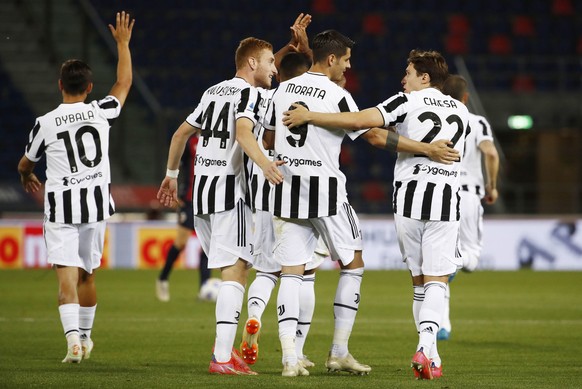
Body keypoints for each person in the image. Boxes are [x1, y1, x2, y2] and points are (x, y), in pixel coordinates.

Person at [266, 31, 460, 377]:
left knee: (293, 273)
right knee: (353, 263)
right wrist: (429, 149)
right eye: (346, 59)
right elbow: (371, 133)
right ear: (331, 60)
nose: (349, 66)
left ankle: (289, 357)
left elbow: (268, 134)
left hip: (285, 188)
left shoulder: (281, 89)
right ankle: (340, 351)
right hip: (327, 191)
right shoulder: (338, 95)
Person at [157, 37, 284, 376]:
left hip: (201, 193)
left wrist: (171, 175)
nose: (275, 68)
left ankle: (225, 354)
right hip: (230, 191)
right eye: (271, 61)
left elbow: (180, 134)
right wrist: (265, 163)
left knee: (233, 267)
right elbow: (244, 134)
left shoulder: (213, 91)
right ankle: (222, 357)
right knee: (237, 269)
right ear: (253, 64)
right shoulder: (252, 95)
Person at [17, 12, 135, 363]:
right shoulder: (100, 112)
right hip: (95, 209)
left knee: (64, 279)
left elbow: (27, 162)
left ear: (59, 85)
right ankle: (85, 336)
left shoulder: (44, 123)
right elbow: (124, 83)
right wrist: (123, 45)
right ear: (88, 88)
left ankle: (72, 342)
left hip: (61, 211)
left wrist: (26, 175)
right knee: (87, 274)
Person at [241, 50, 326, 370]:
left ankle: (253, 316)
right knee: (303, 275)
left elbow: (258, 68)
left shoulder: (264, 98)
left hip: (261, 191)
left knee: (265, 270)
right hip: (299, 194)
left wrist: (293, 47)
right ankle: (298, 349)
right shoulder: (316, 102)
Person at [438, 74, 500, 340]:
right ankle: (455, 263)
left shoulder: (437, 121)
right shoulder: (475, 121)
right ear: (465, 98)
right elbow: (491, 152)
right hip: (467, 196)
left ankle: (441, 325)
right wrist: (492, 186)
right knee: (470, 259)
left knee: (438, 262)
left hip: (439, 195)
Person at [156, 133, 211, 302]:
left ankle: (204, 288)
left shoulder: (218, 139)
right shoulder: (191, 142)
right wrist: (176, 192)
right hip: (188, 200)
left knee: (207, 245)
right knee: (181, 242)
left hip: (209, 199)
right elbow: (178, 165)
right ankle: (163, 278)